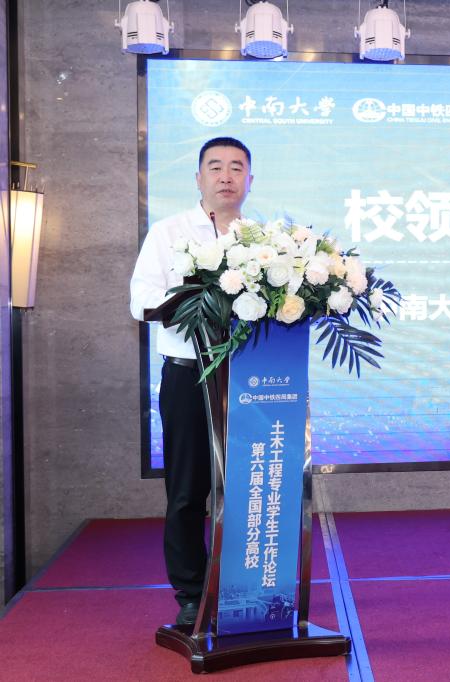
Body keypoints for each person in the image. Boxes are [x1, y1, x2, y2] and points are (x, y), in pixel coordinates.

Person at [129, 137, 254, 626]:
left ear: (249, 180)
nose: (226, 176)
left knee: (247, 485)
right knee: (187, 490)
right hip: (188, 377)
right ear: (198, 177)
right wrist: (191, 300)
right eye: (215, 166)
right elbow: (140, 299)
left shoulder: (264, 240)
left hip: (250, 381)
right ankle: (191, 593)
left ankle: (246, 583)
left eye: (237, 167)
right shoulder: (169, 233)